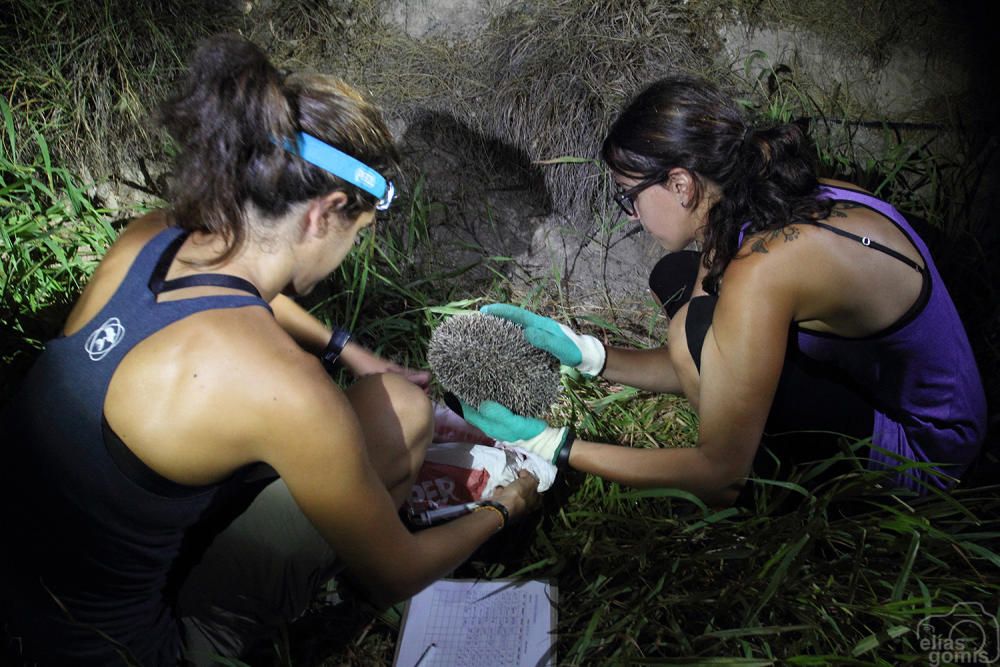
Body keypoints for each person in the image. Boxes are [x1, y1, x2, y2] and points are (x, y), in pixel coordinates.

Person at [0, 34, 539, 666]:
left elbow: (246, 290)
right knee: (399, 417)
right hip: (117, 651)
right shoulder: (284, 389)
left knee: (383, 399)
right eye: (357, 233)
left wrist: (347, 348)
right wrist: (506, 508)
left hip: (24, 585)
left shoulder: (154, 236)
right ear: (326, 211)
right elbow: (400, 573)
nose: (349, 254)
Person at [457, 74, 987, 508]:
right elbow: (705, 349)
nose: (633, 216)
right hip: (907, 393)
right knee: (678, 284)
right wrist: (585, 353)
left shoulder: (763, 270)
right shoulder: (762, 199)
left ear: (682, 185)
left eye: (630, 197)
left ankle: (784, 493)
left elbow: (718, 477)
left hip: (924, 458)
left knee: (697, 324)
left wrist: (551, 444)